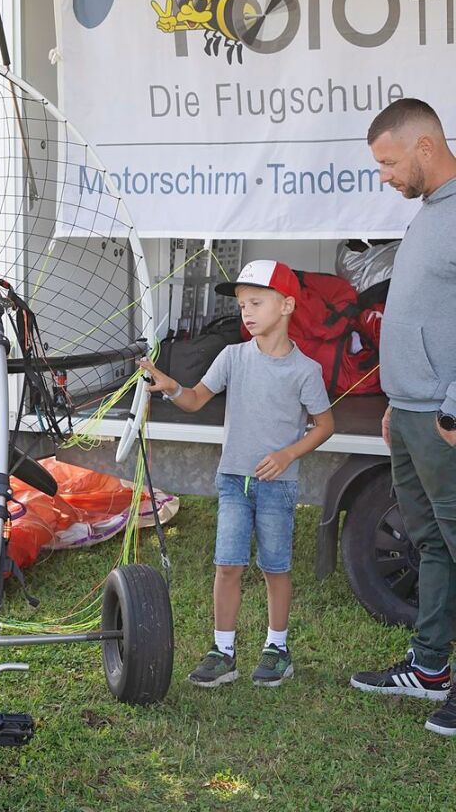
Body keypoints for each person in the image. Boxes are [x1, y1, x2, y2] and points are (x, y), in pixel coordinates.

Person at [140, 260, 334, 687]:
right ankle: (222, 651)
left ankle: (277, 648)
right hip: (233, 481)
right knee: (227, 565)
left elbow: (325, 425)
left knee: (275, 567)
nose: (246, 312)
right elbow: (193, 399)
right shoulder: (232, 357)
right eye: (243, 304)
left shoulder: (305, 371)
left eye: (256, 302)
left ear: (286, 305)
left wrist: (287, 455)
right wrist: (168, 385)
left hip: (277, 486)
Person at [350, 97, 456, 737]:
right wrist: (397, 399)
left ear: (424, 147)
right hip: (413, 413)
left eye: (388, 163)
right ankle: (431, 668)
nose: (384, 177)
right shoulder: (428, 215)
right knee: (431, 544)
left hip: (446, 419)